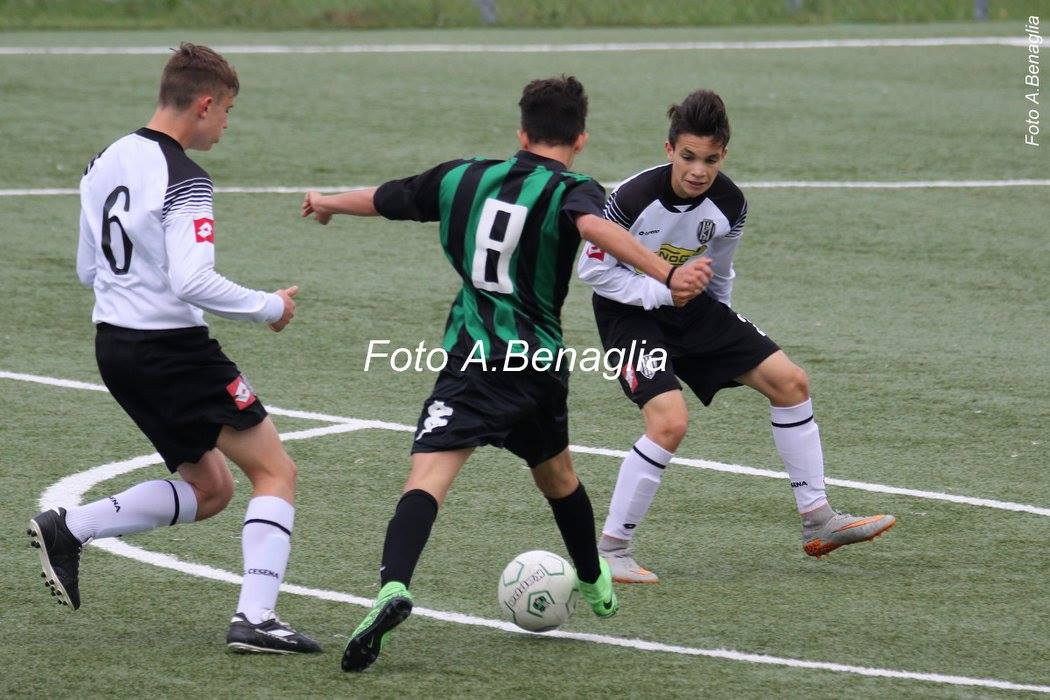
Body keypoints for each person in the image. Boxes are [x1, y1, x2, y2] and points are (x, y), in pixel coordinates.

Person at [302, 76, 712, 672]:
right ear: (581, 138)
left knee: (427, 479)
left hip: (472, 360)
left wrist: (328, 203)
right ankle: (595, 583)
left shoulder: (460, 177)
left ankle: (393, 587)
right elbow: (595, 227)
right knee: (559, 477)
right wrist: (665, 275)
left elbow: (388, 197)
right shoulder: (574, 189)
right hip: (539, 365)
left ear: (522, 132)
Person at [27, 43, 320, 654]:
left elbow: (88, 269)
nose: (227, 124)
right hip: (171, 350)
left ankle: (71, 528)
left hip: (116, 348)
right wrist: (271, 307)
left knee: (210, 488)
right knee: (275, 471)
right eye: (229, 111)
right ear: (205, 104)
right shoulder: (186, 178)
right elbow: (192, 281)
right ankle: (257, 619)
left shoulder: (102, 161)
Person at [578, 89, 896, 584]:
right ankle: (613, 550)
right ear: (669, 150)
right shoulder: (632, 198)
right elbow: (594, 273)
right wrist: (664, 290)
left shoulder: (730, 203)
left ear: (723, 154)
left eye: (709, 159)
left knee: (790, 382)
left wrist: (720, 327)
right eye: (687, 157)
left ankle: (819, 521)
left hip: (694, 311)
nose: (697, 170)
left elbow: (718, 273)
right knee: (669, 422)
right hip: (629, 314)